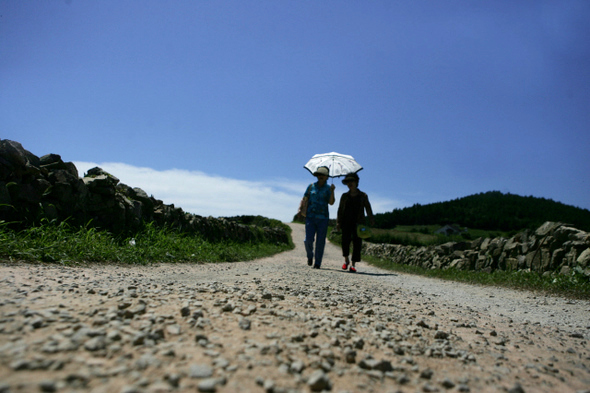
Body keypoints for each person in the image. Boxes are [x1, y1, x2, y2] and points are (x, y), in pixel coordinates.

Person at [336, 173, 374, 273]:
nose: (350, 184)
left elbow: (368, 208)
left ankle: (353, 264)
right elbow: (340, 210)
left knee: (357, 244)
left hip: (359, 223)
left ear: (356, 182)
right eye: (348, 182)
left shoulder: (363, 196)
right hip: (346, 222)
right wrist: (338, 222)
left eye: (351, 181)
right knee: (345, 242)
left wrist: (371, 219)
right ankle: (346, 260)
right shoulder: (344, 196)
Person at [301, 166, 335, 269]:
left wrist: (332, 191)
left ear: (327, 177)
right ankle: (310, 256)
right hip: (310, 217)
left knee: (321, 241)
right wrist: (300, 209)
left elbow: (331, 202)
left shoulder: (329, 188)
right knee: (308, 240)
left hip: (323, 218)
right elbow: (305, 198)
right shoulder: (311, 186)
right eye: (319, 174)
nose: (321, 176)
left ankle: (317, 263)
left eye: (323, 175)